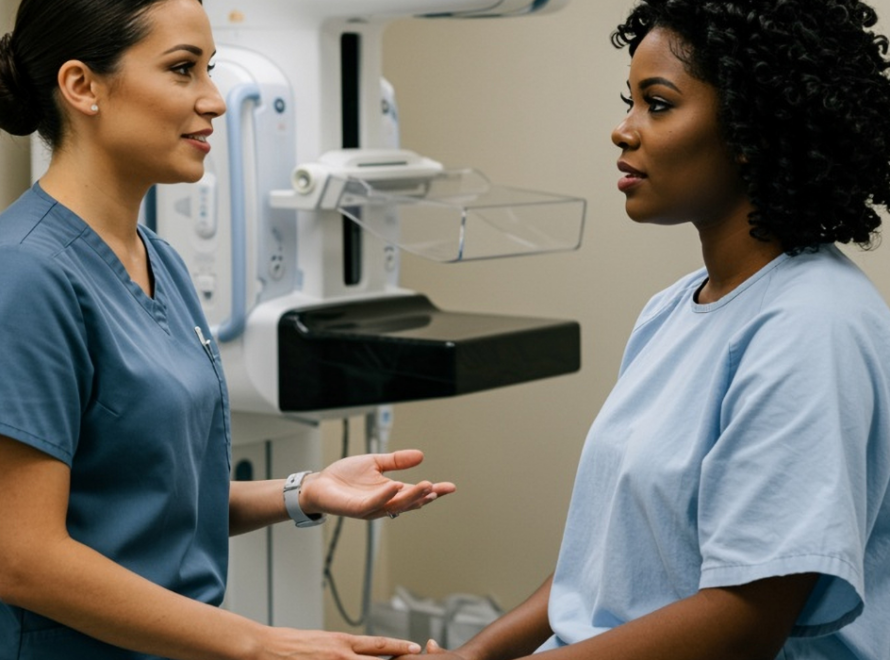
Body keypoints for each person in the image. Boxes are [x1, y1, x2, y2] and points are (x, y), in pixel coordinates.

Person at [401, 1, 890, 659]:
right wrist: (477, 653)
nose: (623, 131)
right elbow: (607, 560)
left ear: (756, 131)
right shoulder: (672, 309)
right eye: (629, 102)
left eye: (656, 105)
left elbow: (743, 622)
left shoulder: (811, 330)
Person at [0, 0, 456, 658]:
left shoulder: (160, 260)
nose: (214, 99)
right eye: (183, 70)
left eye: (208, 69)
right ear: (81, 87)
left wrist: (305, 492)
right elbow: (24, 557)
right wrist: (259, 644)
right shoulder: (26, 274)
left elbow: (148, 500)